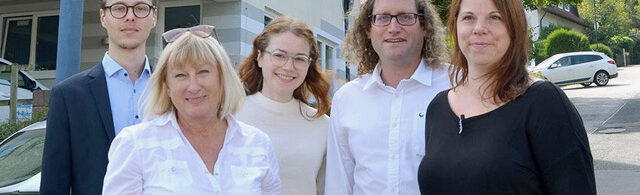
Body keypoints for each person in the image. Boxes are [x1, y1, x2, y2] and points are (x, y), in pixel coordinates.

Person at [417, 0, 596, 194]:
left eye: (495, 18)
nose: (479, 28)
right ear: (455, 26)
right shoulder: (438, 107)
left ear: (515, 27)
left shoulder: (544, 102)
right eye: (468, 18)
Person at [102, 25, 281, 194]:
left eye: (203, 72)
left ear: (222, 78)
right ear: (167, 86)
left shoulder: (258, 144)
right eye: (181, 75)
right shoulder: (135, 145)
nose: (193, 86)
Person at [325, 0, 450, 194]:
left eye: (405, 17)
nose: (393, 28)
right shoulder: (347, 99)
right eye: (382, 18)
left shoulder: (456, 86)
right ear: (368, 29)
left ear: (424, 27)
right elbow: (339, 183)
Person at [40, 0, 157, 193]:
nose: (130, 16)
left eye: (141, 8)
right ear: (103, 17)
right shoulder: (68, 96)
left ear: (154, 17)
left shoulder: (172, 88)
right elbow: (54, 183)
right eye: (119, 8)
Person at [236, 16, 330, 195]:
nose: (289, 66)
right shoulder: (230, 115)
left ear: (309, 65)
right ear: (260, 57)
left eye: (300, 59)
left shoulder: (323, 126)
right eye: (279, 55)